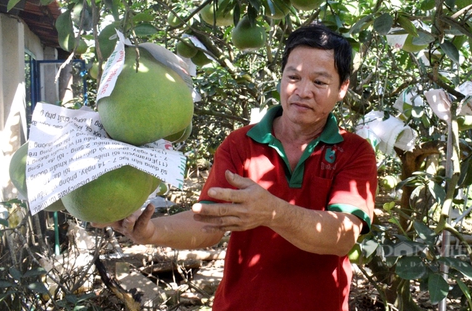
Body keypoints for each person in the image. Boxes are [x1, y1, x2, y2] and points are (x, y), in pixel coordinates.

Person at [96, 24, 377, 311]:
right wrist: (151, 231)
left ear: (342, 88)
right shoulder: (241, 144)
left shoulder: (353, 151)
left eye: (319, 82)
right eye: (293, 77)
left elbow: (342, 237)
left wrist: (273, 212)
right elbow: (210, 222)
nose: (303, 91)